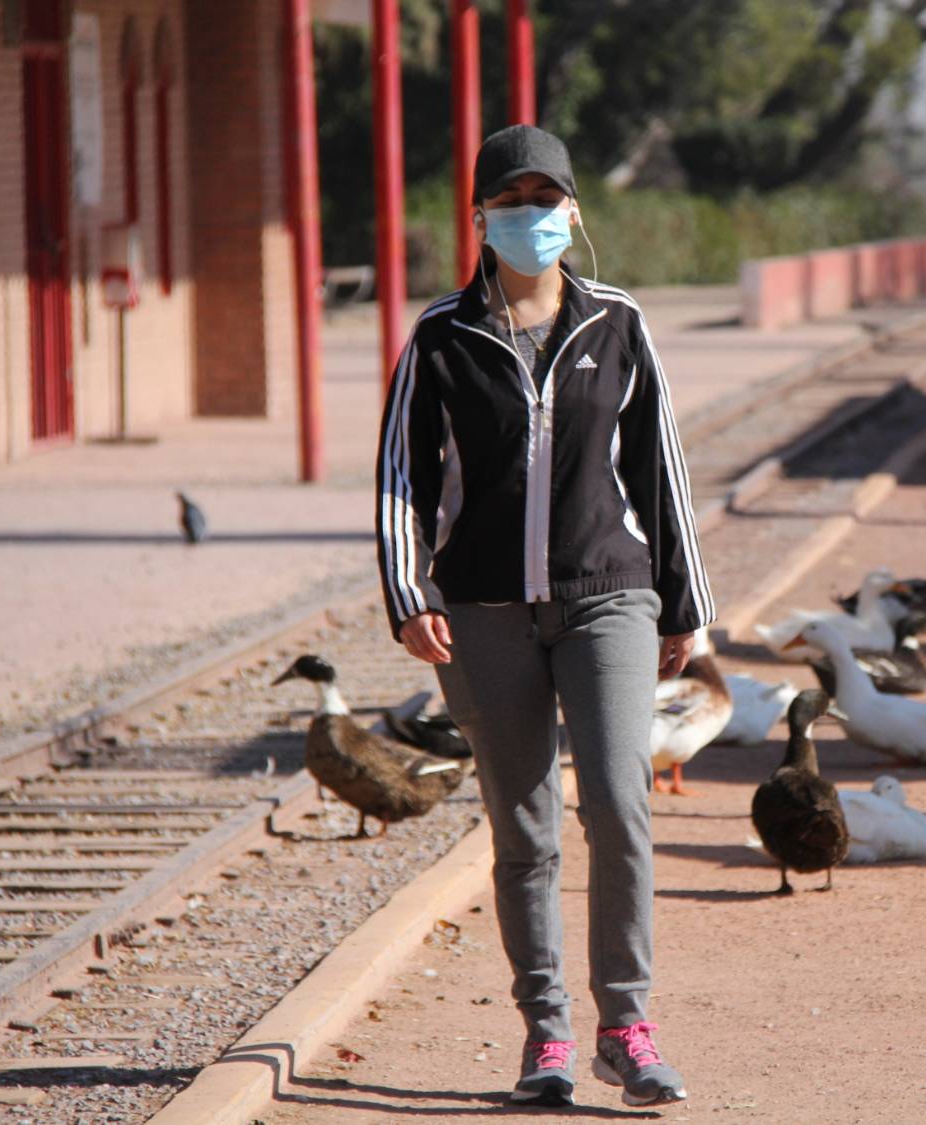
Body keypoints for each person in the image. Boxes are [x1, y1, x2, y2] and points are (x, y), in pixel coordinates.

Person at [374, 124, 712, 1109]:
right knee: (523, 829)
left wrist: (684, 606)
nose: (531, 216)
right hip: (481, 611)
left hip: (609, 594)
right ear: (481, 217)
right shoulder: (442, 337)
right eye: (511, 201)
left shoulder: (618, 322)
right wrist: (408, 594)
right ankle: (548, 1037)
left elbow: (660, 469)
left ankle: (628, 1026)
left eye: (546, 199)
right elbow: (401, 478)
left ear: (574, 210)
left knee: (617, 801)